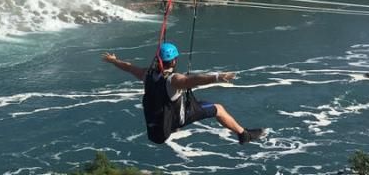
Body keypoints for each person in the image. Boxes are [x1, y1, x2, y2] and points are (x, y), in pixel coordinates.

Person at [102, 42, 263, 145]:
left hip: (159, 122)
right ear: (173, 61)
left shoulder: (147, 75)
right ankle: (244, 135)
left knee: (185, 103)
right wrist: (217, 77)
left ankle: (174, 127)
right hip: (177, 119)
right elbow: (195, 80)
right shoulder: (173, 80)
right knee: (218, 109)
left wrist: (113, 60)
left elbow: (128, 67)